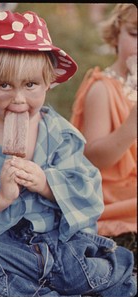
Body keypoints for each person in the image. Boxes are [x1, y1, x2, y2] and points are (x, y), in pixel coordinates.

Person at [0, 10, 136, 297]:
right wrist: (0, 196)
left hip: (55, 238)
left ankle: (102, 277)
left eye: (30, 85)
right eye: (4, 85)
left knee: (76, 255)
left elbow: (88, 190)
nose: (18, 98)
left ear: (48, 82)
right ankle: (46, 289)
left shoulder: (59, 133)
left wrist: (46, 183)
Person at [70, 4, 137, 238]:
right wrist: (131, 126)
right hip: (110, 190)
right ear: (116, 34)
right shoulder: (103, 89)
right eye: (135, 34)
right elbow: (93, 158)